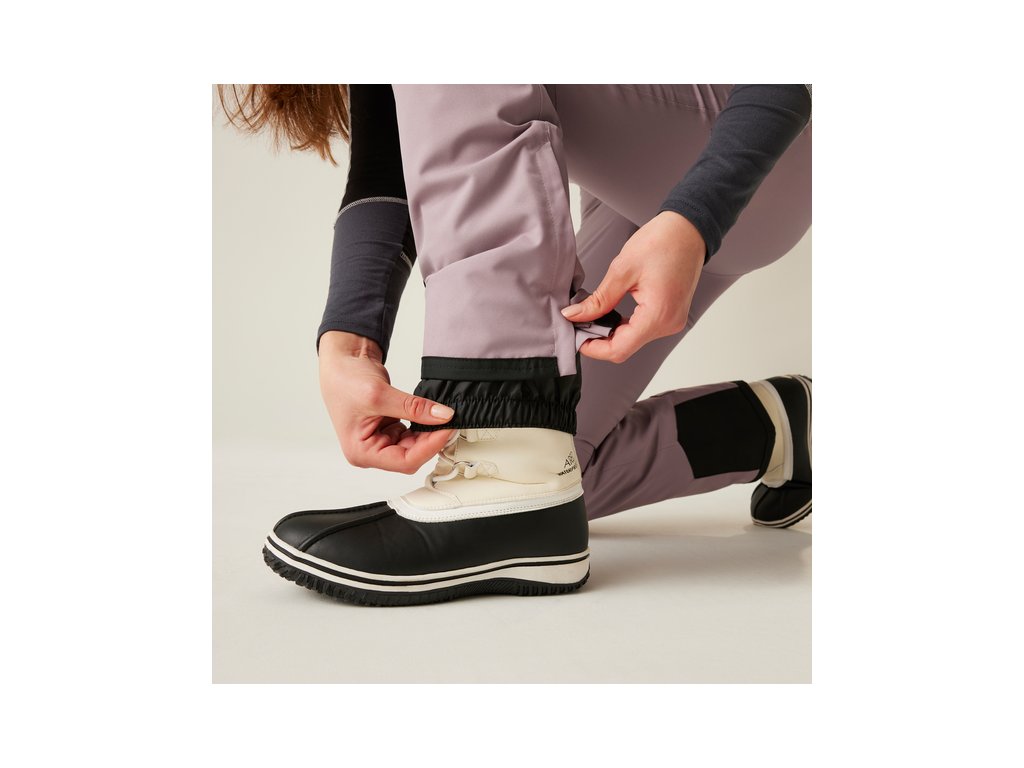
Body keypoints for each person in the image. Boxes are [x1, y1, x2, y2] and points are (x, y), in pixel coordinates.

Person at [218, 84, 812, 606]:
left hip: (764, 140)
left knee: (523, 461)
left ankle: (504, 459)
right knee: (558, 468)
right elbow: (387, 164)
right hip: (650, 186)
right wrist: (347, 344)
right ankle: (779, 426)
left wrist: (697, 215)